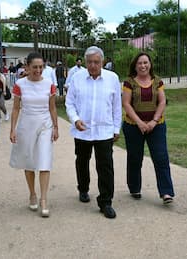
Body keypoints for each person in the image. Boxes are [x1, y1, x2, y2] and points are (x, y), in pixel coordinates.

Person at [65, 46, 122, 219]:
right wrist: (75, 119)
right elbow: (70, 103)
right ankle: (83, 188)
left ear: (102, 62)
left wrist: (116, 128)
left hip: (104, 130)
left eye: (96, 62)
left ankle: (106, 202)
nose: (93, 65)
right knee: (82, 161)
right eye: (89, 62)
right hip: (83, 130)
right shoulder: (76, 78)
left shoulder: (112, 78)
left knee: (105, 166)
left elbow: (116, 106)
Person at [9, 52, 59, 218]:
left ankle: (44, 199)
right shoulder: (20, 84)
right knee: (29, 160)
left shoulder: (49, 84)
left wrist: (56, 127)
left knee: (44, 160)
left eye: (41, 67)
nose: (38, 70)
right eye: (35, 67)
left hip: (45, 124)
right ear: (27, 67)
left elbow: (52, 108)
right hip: (26, 125)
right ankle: (32, 193)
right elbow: (16, 108)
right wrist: (12, 129)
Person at [122, 52, 175, 204]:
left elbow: (163, 101)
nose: (143, 66)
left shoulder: (157, 81)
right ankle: (134, 188)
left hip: (156, 126)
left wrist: (153, 121)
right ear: (135, 65)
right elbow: (126, 103)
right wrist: (139, 122)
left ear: (150, 64)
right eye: (140, 63)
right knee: (134, 158)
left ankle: (166, 192)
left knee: (161, 157)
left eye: (146, 62)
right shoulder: (129, 82)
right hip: (133, 126)